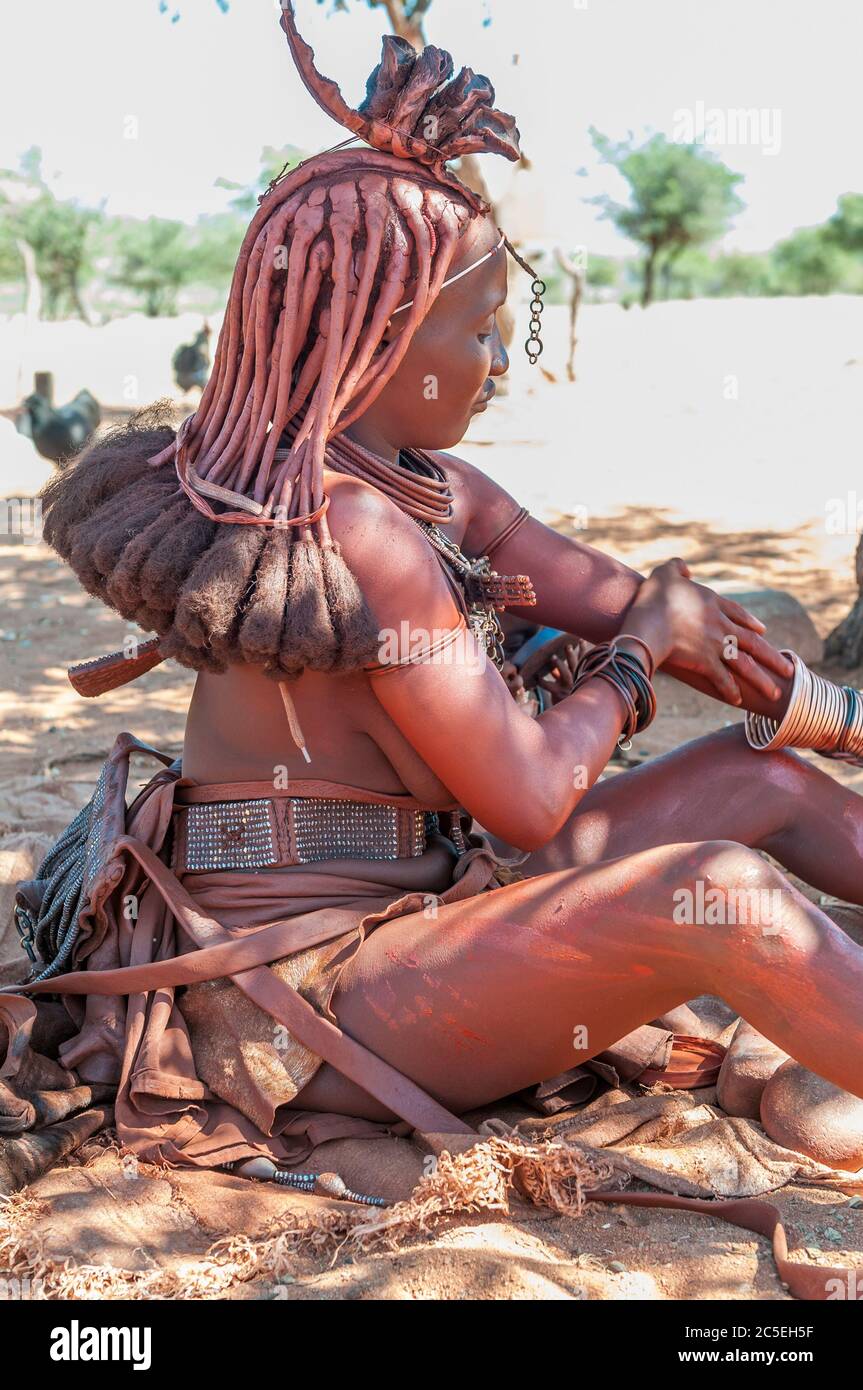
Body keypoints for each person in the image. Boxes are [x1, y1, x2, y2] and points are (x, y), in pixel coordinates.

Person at [16, 1, 863, 1182]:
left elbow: (627, 595)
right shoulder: (350, 526)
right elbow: (524, 798)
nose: (503, 365)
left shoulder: (429, 488)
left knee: (756, 772)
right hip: (309, 992)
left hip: (429, 902)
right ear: (378, 341)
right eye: (480, 333)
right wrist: (632, 662)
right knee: (714, 894)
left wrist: (792, 690)